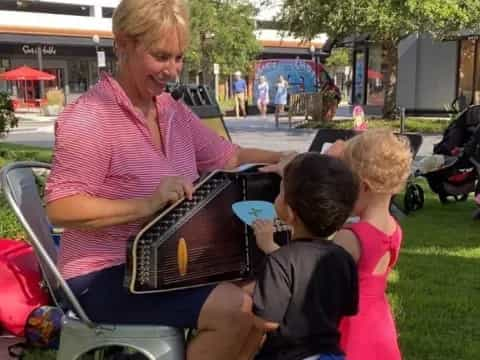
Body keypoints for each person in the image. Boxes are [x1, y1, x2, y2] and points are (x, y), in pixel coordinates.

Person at [44, 1, 295, 359]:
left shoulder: (170, 110)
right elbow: (60, 207)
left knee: (262, 295)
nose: (173, 71)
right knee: (236, 310)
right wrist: (146, 205)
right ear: (123, 44)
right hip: (101, 275)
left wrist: (287, 160)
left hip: (167, 264)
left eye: (178, 58)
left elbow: (231, 156)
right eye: (161, 56)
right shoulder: (90, 118)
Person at [247, 153, 360, 360]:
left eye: (280, 192)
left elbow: (267, 322)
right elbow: (347, 308)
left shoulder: (279, 261)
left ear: (290, 213)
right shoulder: (343, 258)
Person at [328, 129, 413, 360]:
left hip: (352, 326)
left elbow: (321, 284)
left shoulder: (351, 237)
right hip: (379, 323)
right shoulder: (394, 229)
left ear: (364, 186)